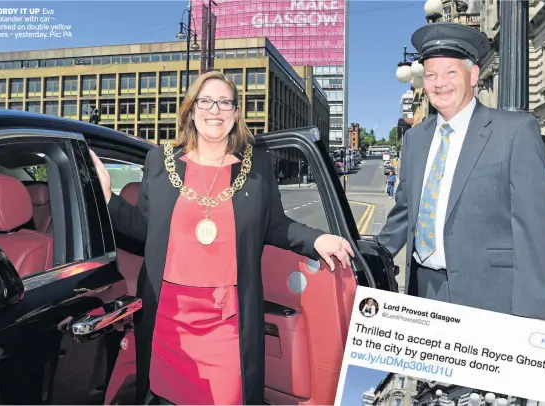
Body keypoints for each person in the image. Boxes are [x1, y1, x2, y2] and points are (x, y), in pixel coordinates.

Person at [89, 70, 355, 405]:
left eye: (225, 102)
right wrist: (108, 197)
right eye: (206, 101)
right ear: (191, 109)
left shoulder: (257, 165)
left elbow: (274, 225)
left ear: (236, 113)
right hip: (169, 317)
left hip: (227, 320)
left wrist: (316, 239)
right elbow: (147, 230)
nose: (215, 110)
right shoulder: (160, 160)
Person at [377, 22, 545, 321]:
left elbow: (534, 232)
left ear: (473, 75)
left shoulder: (514, 131)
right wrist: (365, 253)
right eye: (431, 74)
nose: (439, 83)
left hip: (490, 299)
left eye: (450, 72)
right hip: (423, 292)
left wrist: (531, 319)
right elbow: (406, 211)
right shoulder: (415, 139)